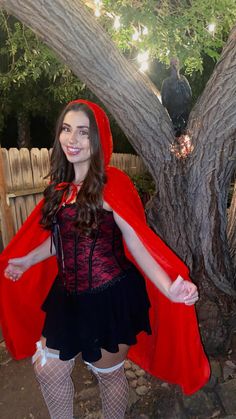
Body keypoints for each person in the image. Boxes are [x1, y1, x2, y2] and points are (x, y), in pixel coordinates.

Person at [0, 100, 210, 419]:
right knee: (47, 368)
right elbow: (59, 241)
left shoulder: (114, 184)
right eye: (67, 130)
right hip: (66, 297)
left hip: (110, 298)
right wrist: (27, 260)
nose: (72, 139)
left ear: (98, 140)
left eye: (83, 132)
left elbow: (138, 244)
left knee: (107, 376)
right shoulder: (59, 188)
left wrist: (169, 288)